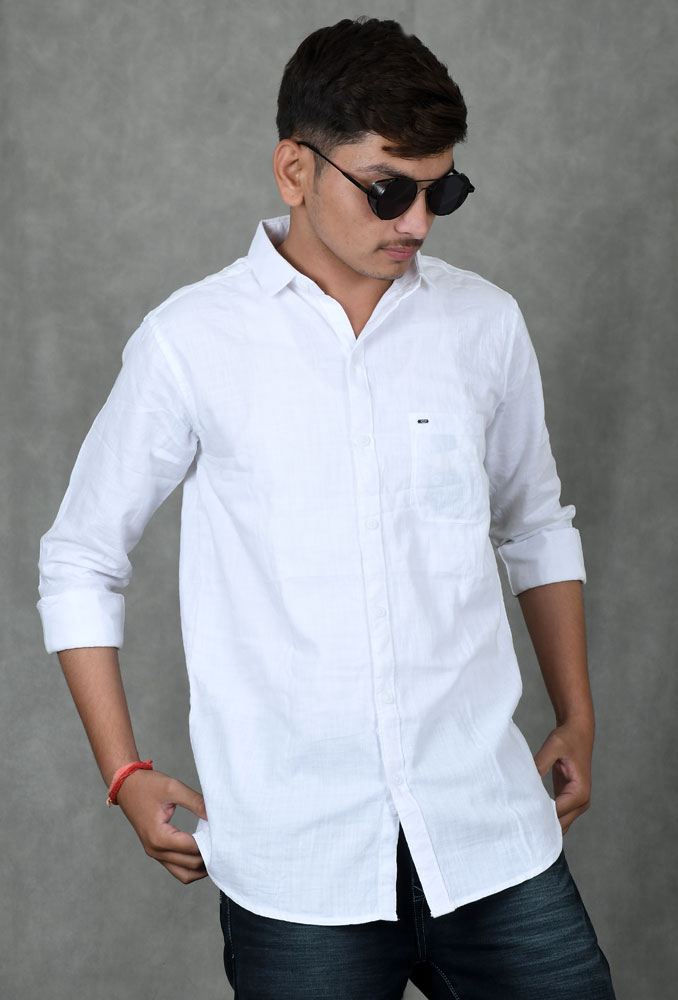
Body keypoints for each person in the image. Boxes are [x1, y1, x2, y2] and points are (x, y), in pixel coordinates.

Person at [37, 16, 616, 999]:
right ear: (295, 170)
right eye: (387, 189)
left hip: (489, 834)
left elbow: (533, 523)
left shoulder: (484, 324)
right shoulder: (191, 342)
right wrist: (122, 770)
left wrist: (578, 714)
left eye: (441, 191)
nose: (417, 222)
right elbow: (80, 557)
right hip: (298, 866)